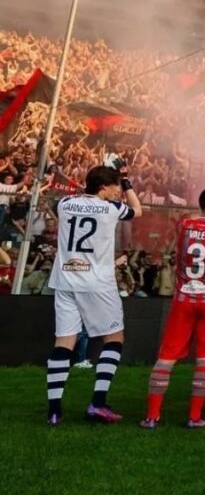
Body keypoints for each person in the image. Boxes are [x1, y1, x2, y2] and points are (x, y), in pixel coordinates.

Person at [141, 180, 205, 429]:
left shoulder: (184, 224)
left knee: (165, 358)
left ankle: (152, 417)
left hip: (183, 299)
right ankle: (194, 417)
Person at [46, 164, 141, 425]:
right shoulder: (111, 209)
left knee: (63, 343)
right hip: (97, 282)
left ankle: (54, 411)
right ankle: (97, 403)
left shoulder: (65, 203)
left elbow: (57, 207)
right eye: (116, 186)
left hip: (65, 280)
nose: (119, 192)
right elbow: (138, 210)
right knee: (114, 337)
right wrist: (129, 182)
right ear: (103, 187)